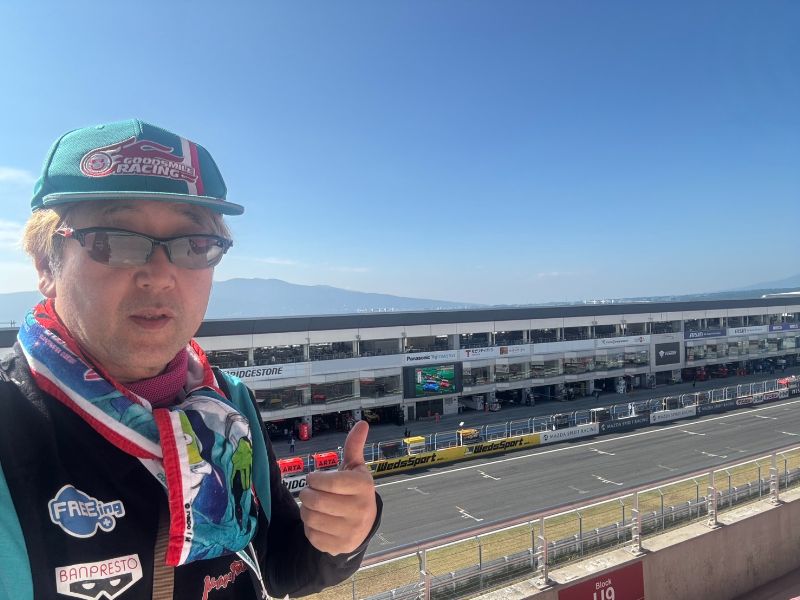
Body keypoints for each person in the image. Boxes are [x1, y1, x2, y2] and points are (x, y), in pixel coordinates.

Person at [0, 119, 382, 599]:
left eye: (193, 245)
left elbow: (277, 566)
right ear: (45, 264)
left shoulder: (227, 403)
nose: (160, 275)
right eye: (114, 240)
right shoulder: (12, 427)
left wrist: (344, 535)